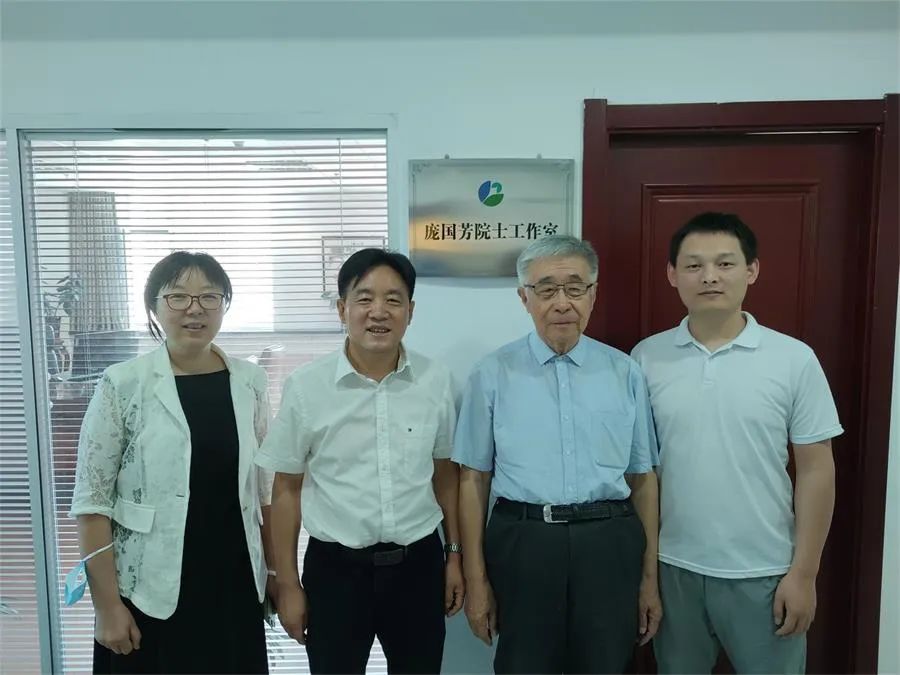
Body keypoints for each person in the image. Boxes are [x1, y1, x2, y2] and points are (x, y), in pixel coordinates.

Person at [631, 212, 841, 674]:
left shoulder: (793, 359)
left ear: (752, 270)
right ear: (672, 274)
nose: (709, 276)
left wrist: (804, 573)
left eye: (725, 263)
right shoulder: (645, 359)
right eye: (694, 265)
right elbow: (641, 472)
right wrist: (647, 575)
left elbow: (816, 469)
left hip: (765, 572)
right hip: (674, 569)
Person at [454, 234, 661, 674]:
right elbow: (473, 479)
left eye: (575, 288)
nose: (562, 302)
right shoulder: (491, 374)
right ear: (524, 298)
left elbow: (643, 477)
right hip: (523, 542)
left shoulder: (624, 372)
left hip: (609, 542)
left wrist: (649, 580)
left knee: (607, 665)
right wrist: (476, 579)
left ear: (593, 294)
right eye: (546, 289)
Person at [256, 248, 463, 675]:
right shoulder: (307, 387)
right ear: (342, 309)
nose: (378, 312)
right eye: (364, 298)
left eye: (393, 300)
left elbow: (446, 475)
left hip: (418, 567)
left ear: (410, 311)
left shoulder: (436, 380)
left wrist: (455, 555)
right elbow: (286, 487)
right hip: (335, 572)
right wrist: (288, 583)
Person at [70, 251, 275, 674]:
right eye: (178, 296)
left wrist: (275, 575)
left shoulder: (250, 382)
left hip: (233, 583)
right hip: (147, 590)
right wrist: (107, 607)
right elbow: (92, 504)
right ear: (155, 306)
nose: (195, 308)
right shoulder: (122, 384)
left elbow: (265, 493)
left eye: (209, 296)